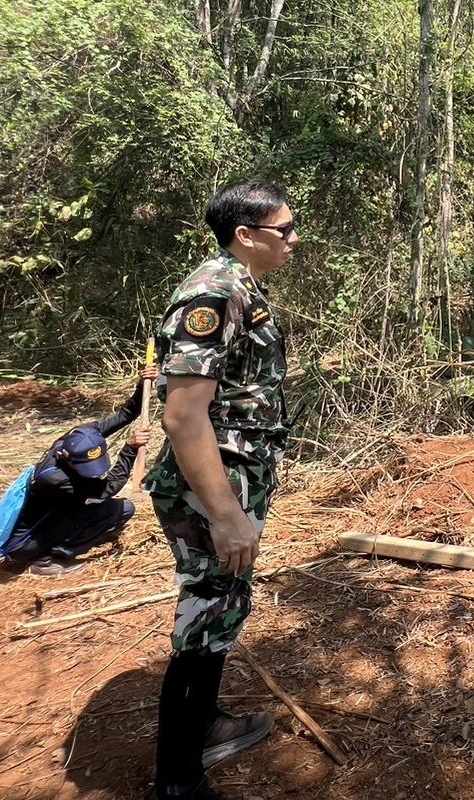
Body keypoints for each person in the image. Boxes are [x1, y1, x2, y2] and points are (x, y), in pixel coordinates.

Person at [142, 180, 297, 800]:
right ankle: (177, 782)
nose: (293, 239)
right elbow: (183, 415)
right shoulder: (214, 292)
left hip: (232, 481)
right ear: (246, 234)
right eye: (284, 229)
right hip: (213, 490)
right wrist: (227, 513)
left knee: (220, 606)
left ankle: (203, 728)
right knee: (206, 613)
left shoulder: (239, 288)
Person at [1, 366, 157, 575]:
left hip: (57, 512)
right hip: (24, 543)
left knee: (119, 509)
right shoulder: (55, 478)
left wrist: (142, 386)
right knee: (117, 509)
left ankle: (76, 536)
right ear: (66, 456)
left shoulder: (82, 435)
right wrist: (129, 449)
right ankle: (50, 558)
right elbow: (110, 487)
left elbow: (125, 414)